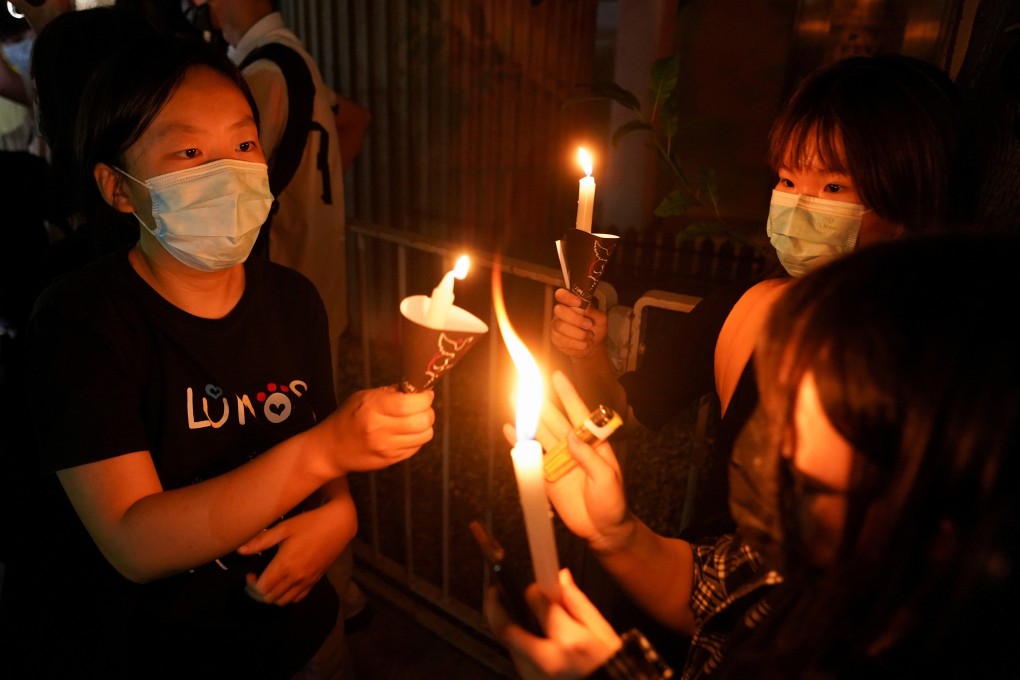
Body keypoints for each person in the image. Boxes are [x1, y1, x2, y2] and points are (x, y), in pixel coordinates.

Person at [0, 34, 434, 678]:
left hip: (303, 639)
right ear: (119, 190)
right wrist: (326, 451)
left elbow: (319, 451)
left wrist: (339, 515)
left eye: (243, 143)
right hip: (159, 654)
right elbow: (134, 539)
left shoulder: (293, 300)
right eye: (190, 152)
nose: (228, 171)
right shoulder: (80, 323)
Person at [487, 232, 1020, 679]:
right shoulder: (808, 547)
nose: (772, 470)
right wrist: (618, 533)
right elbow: (718, 592)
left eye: (809, 485)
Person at [550, 53, 982, 543]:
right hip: (707, 596)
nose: (798, 207)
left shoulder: (948, 363)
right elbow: (623, 414)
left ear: (910, 200)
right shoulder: (745, 309)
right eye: (788, 180)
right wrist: (587, 353)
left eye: (834, 185)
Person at [192, 0, 374, 629]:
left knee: (299, 448)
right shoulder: (296, 57)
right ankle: (340, 594)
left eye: (239, 142)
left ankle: (333, 593)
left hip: (287, 295)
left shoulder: (265, 71)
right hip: (320, 285)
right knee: (317, 436)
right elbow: (355, 122)